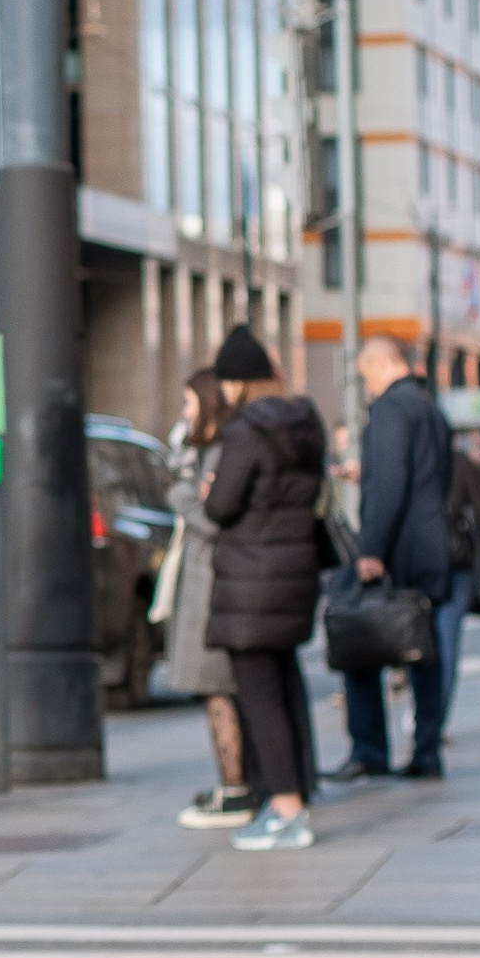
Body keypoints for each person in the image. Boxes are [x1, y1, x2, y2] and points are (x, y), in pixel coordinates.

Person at [201, 326, 330, 851]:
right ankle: (298, 792)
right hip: (295, 572)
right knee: (286, 687)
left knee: (260, 697)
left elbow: (221, 506)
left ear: (237, 382)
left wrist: (210, 492)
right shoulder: (306, 422)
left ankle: (286, 809)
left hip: (252, 580)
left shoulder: (246, 430)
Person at [325, 336, 456, 784]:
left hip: (400, 546)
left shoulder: (389, 409)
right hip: (430, 542)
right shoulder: (430, 408)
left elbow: (390, 482)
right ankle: (427, 749)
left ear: (382, 364)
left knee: (359, 640)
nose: (368, 387)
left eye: (367, 377)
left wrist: (372, 549)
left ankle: (369, 749)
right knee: (423, 649)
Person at [161, 367, 253, 825]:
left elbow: (212, 518)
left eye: (189, 402)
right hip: (207, 579)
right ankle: (235, 784)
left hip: (211, 582)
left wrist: (180, 493)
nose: (185, 412)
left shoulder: (220, 451)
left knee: (218, 689)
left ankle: (235, 788)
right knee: (218, 691)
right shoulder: (208, 450)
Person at [442, 439, 480, 735]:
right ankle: (434, 721)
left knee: (421, 639)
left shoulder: (404, 458)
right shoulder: (459, 462)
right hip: (454, 560)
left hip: (414, 560)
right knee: (447, 641)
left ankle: (423, 714)